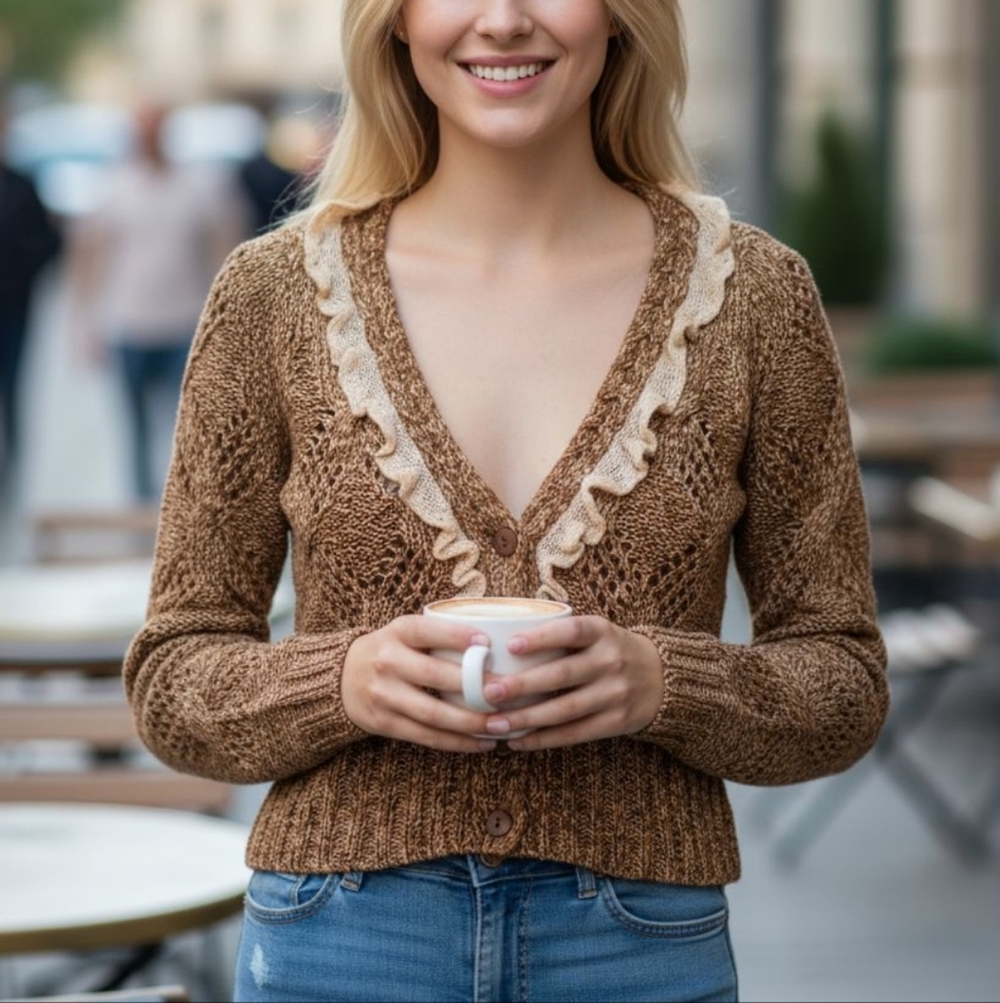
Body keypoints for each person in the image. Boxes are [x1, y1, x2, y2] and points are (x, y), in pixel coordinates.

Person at [124, 2, 889, 1001]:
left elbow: (843, 680)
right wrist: (341, 683)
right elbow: (171, 674)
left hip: (639, 939)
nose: (504, 20)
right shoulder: (270, 297)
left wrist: (663, 684)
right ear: (394, 21)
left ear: (621, 17)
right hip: (342, 931)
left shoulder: (753, 297)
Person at [69, 103, 248, 501]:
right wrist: (85, 323)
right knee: (133, 427)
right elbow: (89, 257)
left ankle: (181, 505)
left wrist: (226, 316)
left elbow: (225, 243)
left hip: (182, 322)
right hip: (127, 324)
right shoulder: (113, 186)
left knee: (185, 425)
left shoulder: (198, 185)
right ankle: (139, 504)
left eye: (155, 128)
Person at [0, 101, 62, 487]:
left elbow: (48, 242)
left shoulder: (20, 185)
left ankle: (13, 464)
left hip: (12, 307)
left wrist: (22, 276)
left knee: (12, 388)